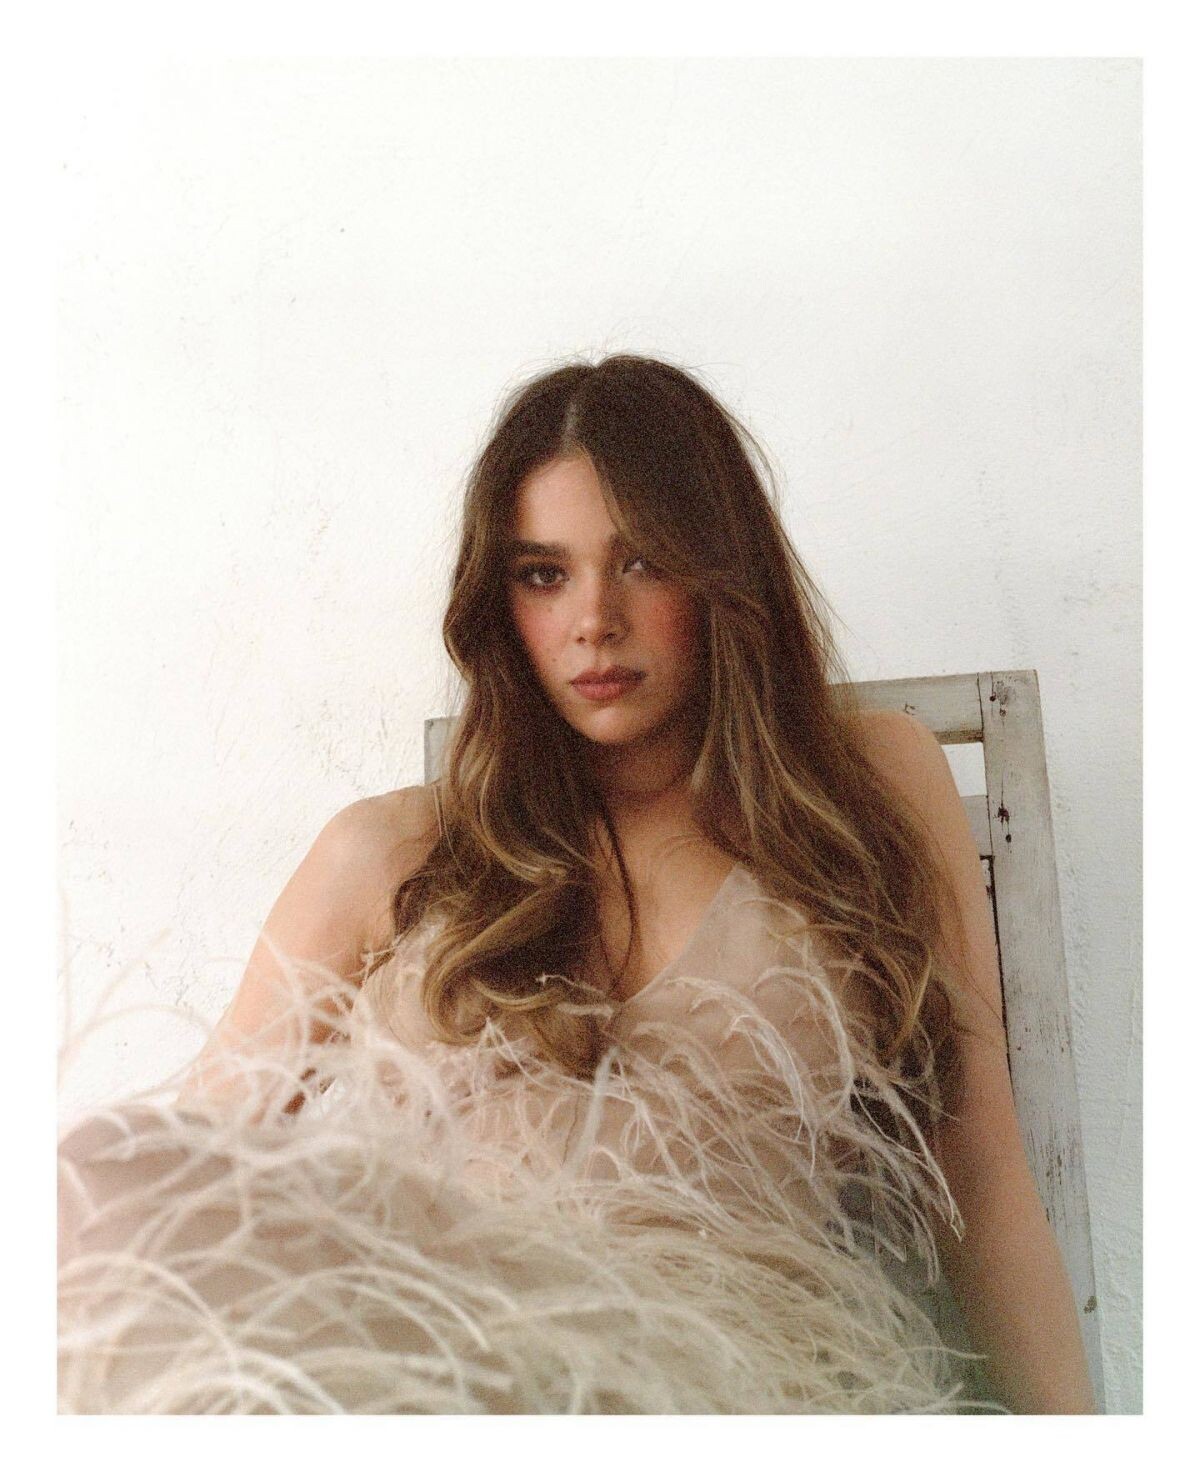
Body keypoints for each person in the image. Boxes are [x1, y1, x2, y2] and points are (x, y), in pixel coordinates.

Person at [58, 354, 1096, 1415]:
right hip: (447, 1377)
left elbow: (983, 1178)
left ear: (722, 574)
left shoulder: (869, 781)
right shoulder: (390, 850)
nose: (594, 618)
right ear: (498, 601)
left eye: (641, 561)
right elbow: (183, 1182)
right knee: (84, 1184)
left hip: (732, 1381)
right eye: (544, 574)